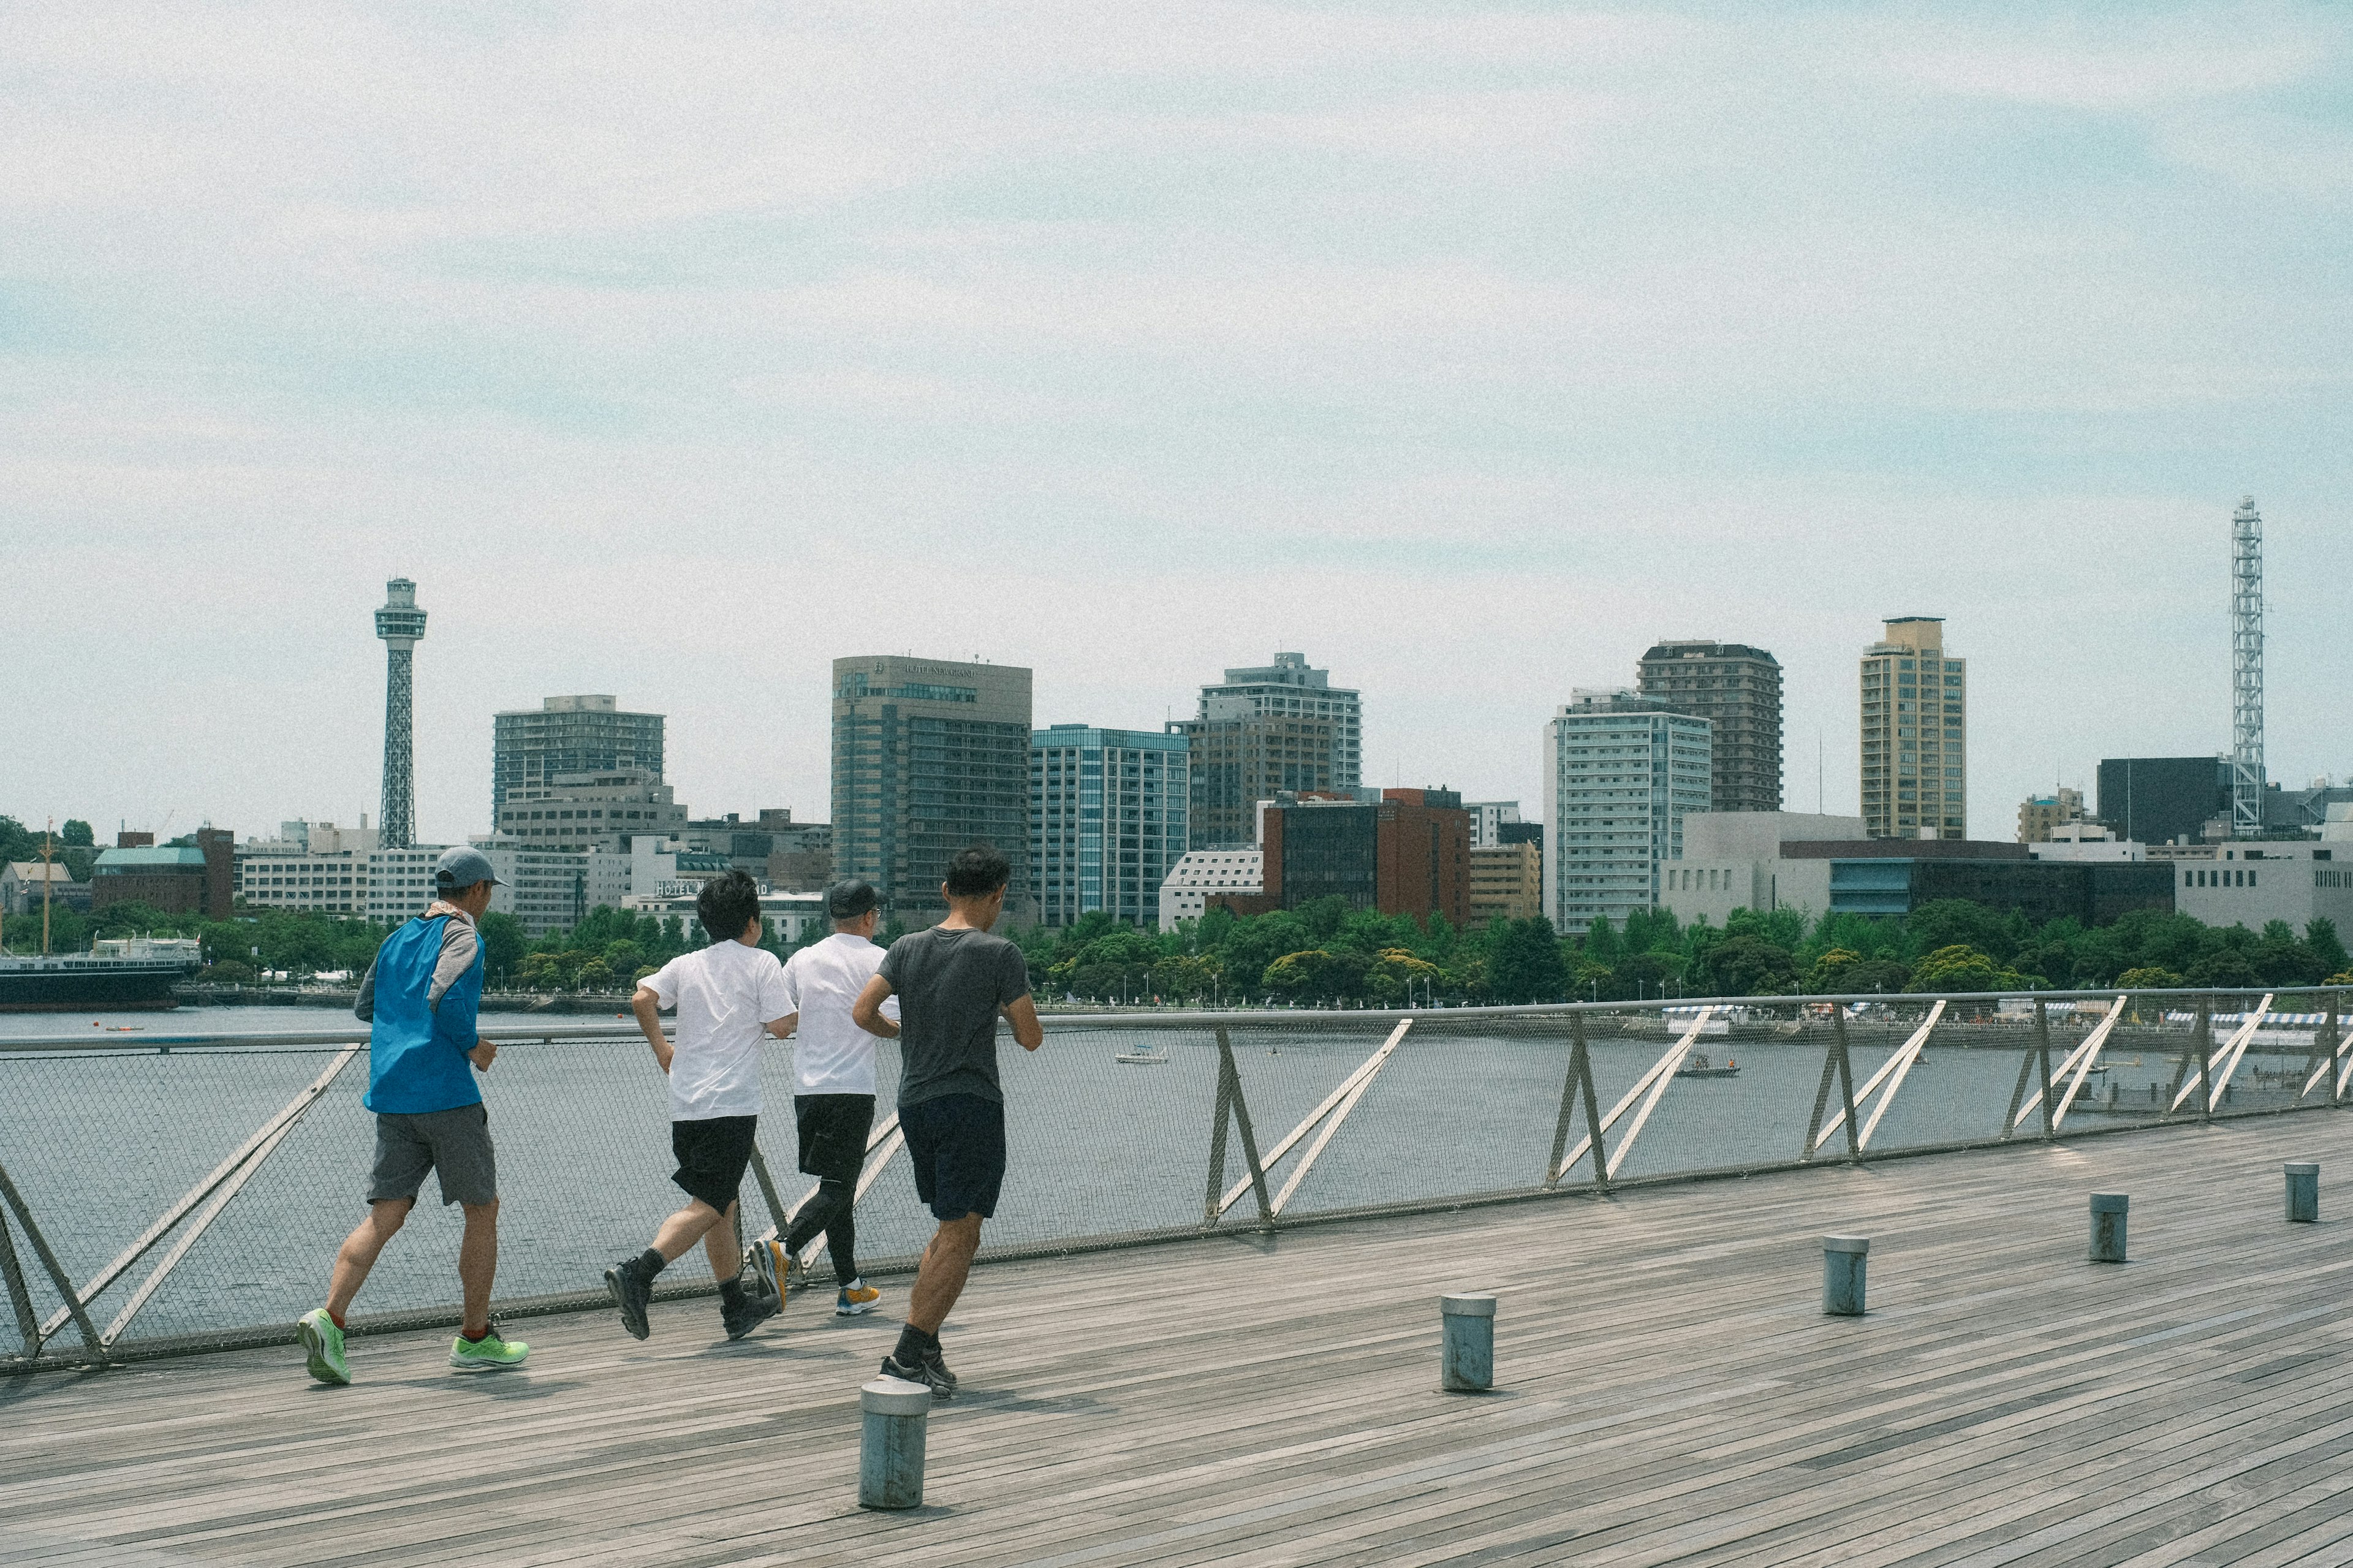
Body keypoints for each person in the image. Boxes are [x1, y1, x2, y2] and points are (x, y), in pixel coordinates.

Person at [297, 846, 529, 1384]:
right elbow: (444, 997)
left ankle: (329, 1318)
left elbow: (365, 1006)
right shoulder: (465, 936)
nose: (489, 900)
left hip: (393, 1095)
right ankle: (475, 1338)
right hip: (446, 1093)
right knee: (482, 1208)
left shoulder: (398, 937)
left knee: (386, 1214)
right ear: (476, 891)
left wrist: (405, 1028)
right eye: (489, 891)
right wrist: (473, 1045)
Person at [851, 845, 1043, 1395]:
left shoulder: (906, 947)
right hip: (970, 1102)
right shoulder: (1000, 953)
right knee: (962, 1232)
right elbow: (1031, 1037)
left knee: (948, 1226)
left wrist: (904, 1035)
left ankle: (928, 1347)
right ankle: (907, 1354)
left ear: (944, 890)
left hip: (915, 1101)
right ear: (999, 895)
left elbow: (864, 1012)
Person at [605, 870, 794, 1342]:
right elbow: (784, 1026)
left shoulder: (685, 963)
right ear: (752, 921)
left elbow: (641, 997)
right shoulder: (761, 962)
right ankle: (639, 1272)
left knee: (721, 1204)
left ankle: (735, 1305)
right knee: (709, 1204)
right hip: (730, 1105)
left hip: (686, 1105)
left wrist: (663, 1051)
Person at [747, 879, 899, 1317]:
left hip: (808, 1088)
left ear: (832, 917)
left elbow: (782, 1017)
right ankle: (783, 1248)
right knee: (838, 1187)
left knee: (838, 1189)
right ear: (870, 917)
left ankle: (850, 1286)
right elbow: (886, 1019)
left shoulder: (803, 958)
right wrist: (899, 1033)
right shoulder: (881, 960)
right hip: (851, 1089)